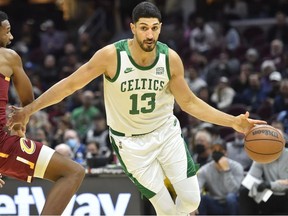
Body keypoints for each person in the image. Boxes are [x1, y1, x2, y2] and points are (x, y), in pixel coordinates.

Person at [7, 2, 266, 215]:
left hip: (166, 135)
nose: (150, 35)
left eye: (154, 28)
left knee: (191, 203)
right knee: (165, 209)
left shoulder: (170, 59)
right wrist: (30, 109)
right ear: (132, 28)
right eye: (143, 28)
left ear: (160, 28)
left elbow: (189, 103)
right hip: (129, 145)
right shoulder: (111, 56)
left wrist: (233, 122)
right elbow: (70, 84)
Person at [0, 11, 85, 215]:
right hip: (3, 144)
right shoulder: (8, 57)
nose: (11, 38)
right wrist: (20, 126)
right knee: (73, 172)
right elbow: (28, 102)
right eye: (7, 31)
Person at [197, 144, 244, 215]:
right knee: (202, 198)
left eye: (220, 150)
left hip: (233, 204)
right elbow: (197, 188)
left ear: (226, 152)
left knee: (230, 197)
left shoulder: (237, 167)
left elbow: (234, 191)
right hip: (215, 203)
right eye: (214, 151)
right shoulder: (204, 170)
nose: (217, 153)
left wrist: (226, 171)